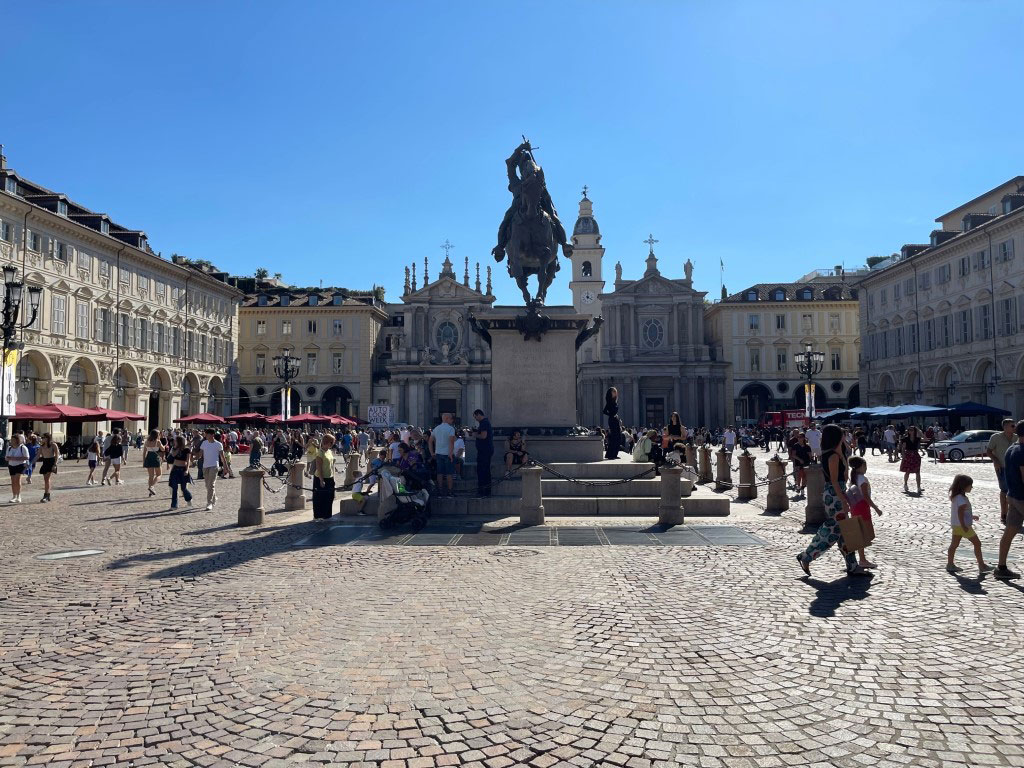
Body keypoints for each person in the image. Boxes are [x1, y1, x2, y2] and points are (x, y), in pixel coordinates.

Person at [796, 424, 865, 577]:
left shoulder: (834, 454)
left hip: (837, 492)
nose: (844, 437)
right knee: (833, 529)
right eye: (841, 435)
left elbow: (845, 475)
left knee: (844, 531)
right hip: (835, 494)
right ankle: (806, 556)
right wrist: (843, 499)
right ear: (836, 437)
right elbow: (835, 480)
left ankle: (852, 566)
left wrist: (842, 454)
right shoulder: (832, 456)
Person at [994, 419, 1024, 580]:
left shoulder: (1012, 449)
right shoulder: (1022, 451)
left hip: (1012, 496)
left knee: (1009, 532)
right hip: (1022, 498)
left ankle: (1001, 567)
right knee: (1009, 532)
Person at [946, 474, 992, 575]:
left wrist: (971, 516)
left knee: (954, 545)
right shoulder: (962, 499)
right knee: (977, 543)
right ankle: (982, 565)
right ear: (964, 486)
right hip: (963, 526)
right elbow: (960, 513)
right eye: (970, 485)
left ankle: (950, 564)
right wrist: (964, 526)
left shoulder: (956, 497)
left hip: (955, 525)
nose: (972, 487)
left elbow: (962, 512)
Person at [847, 456, 883, 569]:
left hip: (855, 507)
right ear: (860, 467)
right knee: (866, 534)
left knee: (861, 533)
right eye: (864, 465)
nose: (866, 467)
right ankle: (862, 559)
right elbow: (866, 496)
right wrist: (876, 508)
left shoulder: (853, 477)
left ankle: (861, 558)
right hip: (862, 507)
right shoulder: (862, 479)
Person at [986, 418, 1016, 527]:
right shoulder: (996, 437)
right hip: (1002, 468)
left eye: (1015, 425)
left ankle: (1014, 515)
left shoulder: (1017, 438)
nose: (1014, 427)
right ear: (1005, 427)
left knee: (1015, 491)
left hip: (1015, 469)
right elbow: (988, 451)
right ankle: (1004, 514)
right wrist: (995, 460)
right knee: (1004, 491)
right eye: (1012, 426)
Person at [429, 413, 457, 497]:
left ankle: (440, 492)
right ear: (447, 418)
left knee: (440, 473)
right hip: (448, 454)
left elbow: (430, 441)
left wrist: (431, 453)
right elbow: (451, 442)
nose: (452, 420)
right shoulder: (450, 429)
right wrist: (451, 454)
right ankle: (449, 492)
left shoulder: (436, 428)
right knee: (449, 473)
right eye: (451, 418)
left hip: (438, 453)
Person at [199, 428, 224, 510]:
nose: (205, 435)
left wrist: (226, 467)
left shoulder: (218, 444)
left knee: (211, 484)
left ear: (212, 435)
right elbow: (200, 454)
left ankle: (209, 503)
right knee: (207, 485)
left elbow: (222, 457)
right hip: (205, 466)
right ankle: (214, 497)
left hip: (214, 466)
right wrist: (193, 457)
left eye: (206, 434)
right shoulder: (204, 443)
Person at [312, 433, 336, 520]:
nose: (333, 444)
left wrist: (334, 477)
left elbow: (332, 465)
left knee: (330, 497)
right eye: (332, 442)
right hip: (320, 478)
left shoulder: (329, 451)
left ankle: (327, 515)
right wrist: (321, 480)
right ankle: (318, 516)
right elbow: (319, 468)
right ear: (327, 442)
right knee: (320, 497)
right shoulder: (320, 453)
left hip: (330, 477)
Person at [167, 435, 194, 509]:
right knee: (174, 487)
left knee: (183, 488)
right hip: (175, 469)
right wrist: (176, 448)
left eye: (175, 441)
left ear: (179, 441)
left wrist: (187, 470)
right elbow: (173, 456)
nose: (174, 442)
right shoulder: (174, 448)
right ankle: (174, 505)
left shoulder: (187, 449)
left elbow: (188, 460)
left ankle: (189, 499)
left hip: (183, 469)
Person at [33, 433, 60, 503]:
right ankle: (48, 494)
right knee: (45, 479)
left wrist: (55, 464)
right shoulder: (41, 446)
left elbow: (57, 455)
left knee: (47, 478)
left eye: (44, 437)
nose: (42, 439)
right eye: (42, 438)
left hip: (51, 461)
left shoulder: (53, 445)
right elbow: (38, 455)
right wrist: (32, 462)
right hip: (45, 461)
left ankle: (46, 495)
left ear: (48, 438)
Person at [472, 409, 494, 497]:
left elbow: (484, 436)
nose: (475, 419)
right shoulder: (484, 422)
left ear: (478, 415)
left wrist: (475, 435)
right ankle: (486, 491)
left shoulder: (484, 423)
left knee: (482, 471)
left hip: (484, 451)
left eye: (475, 417)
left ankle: (483, 491)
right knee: (485, 471)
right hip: (485, 450)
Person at [6, 434, 29, 503]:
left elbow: (27, 457)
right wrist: (8, 458)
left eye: (13, 440)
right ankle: (14, 496)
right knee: (13, 481)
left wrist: (14, 458)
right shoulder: (9, 448)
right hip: (11, 465)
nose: (12, 441)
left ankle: (19, 496)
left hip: (20, 465)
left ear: (17, 440)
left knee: (17, 480)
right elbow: (6, 458)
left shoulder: (22, 447)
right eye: (11, 440)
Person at [900, 425, 923, 494]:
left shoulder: (917, 438)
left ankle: (918, 487)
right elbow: (903, 448)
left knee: (917, 472)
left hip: (916, 455)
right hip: (908, 455)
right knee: (907, 471)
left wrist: (919, 430)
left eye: (912, 430)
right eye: (909, 430)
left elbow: (925, 439)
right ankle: (905, 484)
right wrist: (903, 455)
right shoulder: (906, 439)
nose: (910, 431)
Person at [143, 430, 165, 497]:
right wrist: (164, 446)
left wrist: (144, 461)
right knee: (159, 474)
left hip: (149, 458)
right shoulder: (158, 441)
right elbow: (163, 449)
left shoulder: (147, 442)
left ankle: (150, 492)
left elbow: (144, 452)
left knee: (151, 476)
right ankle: (152, 486)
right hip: (155, 458)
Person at [602, 387, 622, 460]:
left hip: (615, 420)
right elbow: (604, 411)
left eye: (615, 391)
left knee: (618, 437)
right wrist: (611, 415)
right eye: (613, 391)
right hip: (612, 420)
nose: (615, 392)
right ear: (610, 393)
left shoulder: (615, 401)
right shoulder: (609, 401)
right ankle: (611, 454)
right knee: (614, 437)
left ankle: (614, 454)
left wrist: (615, 416)